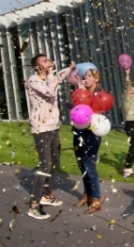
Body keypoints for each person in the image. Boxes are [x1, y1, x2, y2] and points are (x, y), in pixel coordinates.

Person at [26, 54, 73, 220]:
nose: (49, 62)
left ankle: (46, 194)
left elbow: (59, 77)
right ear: (38, 67)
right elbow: (50, 92)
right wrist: (53, 74)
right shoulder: (33, 80)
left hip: (53, 128)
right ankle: (34, 205)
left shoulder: (50, 77)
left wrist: (69, 69)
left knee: (55, 164)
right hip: (41, 129)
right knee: (45, 165)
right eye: (45, 61)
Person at [72, 68, 104, 214]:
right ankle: (87, 194)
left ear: (96, 79)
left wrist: (85, 98)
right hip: (78, 131)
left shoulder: (99, 94)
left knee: (89, 163)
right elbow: (70, 105)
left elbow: (98, 112)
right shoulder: (81, 93)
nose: (86, 78)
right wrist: (78, 93)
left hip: (93, 132)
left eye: (89, 76)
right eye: (85, 76)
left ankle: (96, 198)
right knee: (81, 164)